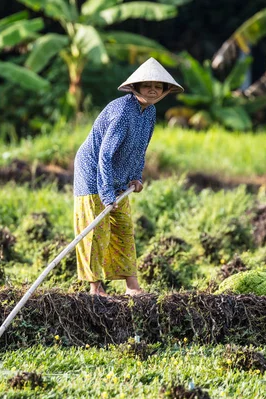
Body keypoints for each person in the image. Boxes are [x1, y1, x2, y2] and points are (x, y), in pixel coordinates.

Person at [73, 58, 184, 296]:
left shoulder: (150, 112)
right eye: (147, 86)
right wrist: (105, 194)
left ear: (164, 91)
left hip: (119, 176)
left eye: (158, 86)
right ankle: (95, 288)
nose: (153, 90)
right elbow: (104, 155)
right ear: (136, 88)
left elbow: (140, 148)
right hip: (93, 174)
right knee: (96, 231)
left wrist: (136, 177)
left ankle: (131, 286)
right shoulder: (122, 111)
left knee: (123, 228)